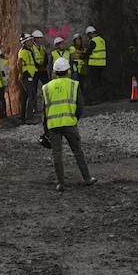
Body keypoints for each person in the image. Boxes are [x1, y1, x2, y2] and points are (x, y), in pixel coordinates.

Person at [41, 56, 96, 191]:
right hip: (70, 123)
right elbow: (80, 106)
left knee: (57, 154)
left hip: (53, 125)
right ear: (68, 70)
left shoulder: (46, 87)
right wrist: (74, 119)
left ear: (54, 72)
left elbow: (45, 111)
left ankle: (61, 184)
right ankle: (87, 178)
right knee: (78, 152)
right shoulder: (74, 84)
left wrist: (46, 129)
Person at [17, 35, 40, 123]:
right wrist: (20, 73)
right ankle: (29, 118)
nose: (32, 42)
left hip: (29, 74)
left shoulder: (28, 50)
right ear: (25, 42)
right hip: (26, 75)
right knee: (32, 95)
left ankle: (23, 117)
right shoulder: (23, 51)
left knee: (24, 96)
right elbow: (19, 62)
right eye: (30, 41)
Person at [84, 25, 107, 102]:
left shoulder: (93, 41)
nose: (88, 37)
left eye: (88, 35)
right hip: (102, 64)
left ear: (90, 34)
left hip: (94, 65)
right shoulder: (102, 40)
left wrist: (82, 55)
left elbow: (88, 53)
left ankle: (95, 99)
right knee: (100, 82)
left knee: (94, 83)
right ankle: (101, 98)